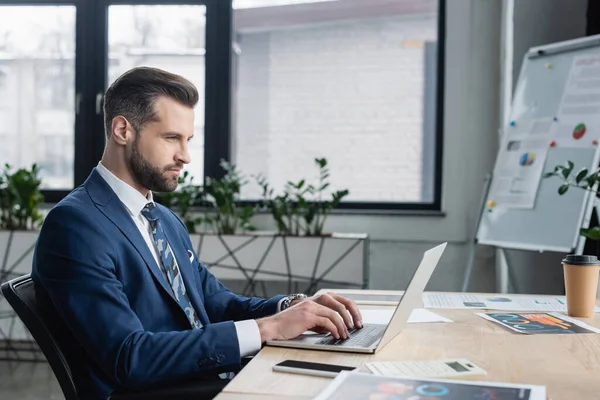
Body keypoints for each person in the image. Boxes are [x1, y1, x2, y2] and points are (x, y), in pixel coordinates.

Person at [31, 66, 363, 399]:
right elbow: (130, 356)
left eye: (187, 140)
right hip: (162, 392)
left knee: (348, 380)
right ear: (122, 130)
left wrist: (293, 307)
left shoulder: (163, 219)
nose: (185, 157)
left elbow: (218, 304)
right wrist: (268, 329)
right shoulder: (75, 225)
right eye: (171, 138)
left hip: (208, 380)